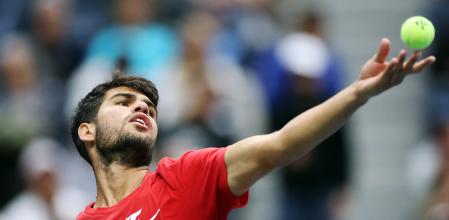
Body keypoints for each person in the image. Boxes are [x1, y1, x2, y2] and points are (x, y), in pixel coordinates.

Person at [71, 38, 435, 219]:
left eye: (148, 106)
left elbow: (282, 144)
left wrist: (358, 93)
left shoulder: (185, 178)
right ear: (87, 131)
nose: (141, 108)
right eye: (123, 102)